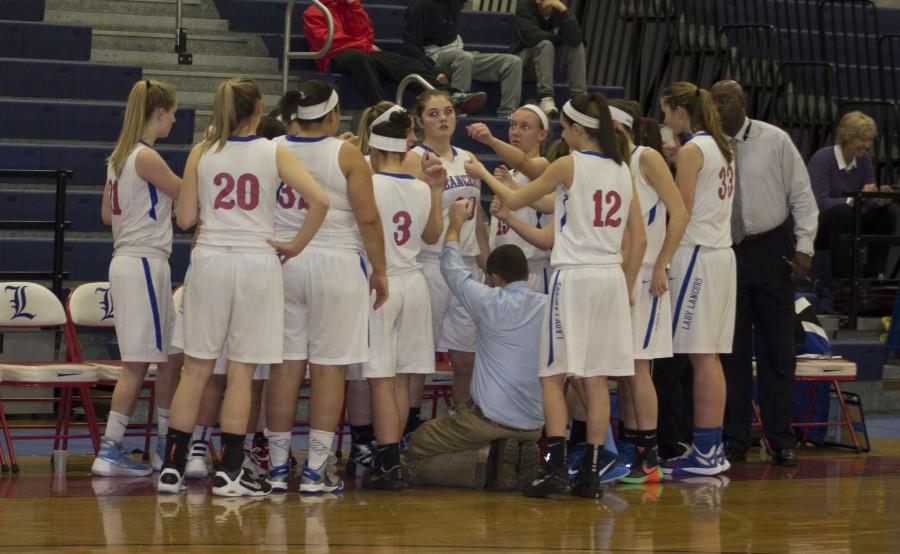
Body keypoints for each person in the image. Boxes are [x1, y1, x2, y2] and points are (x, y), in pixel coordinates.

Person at [467, 93, 646, 499]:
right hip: (611, 281)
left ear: (579, 129)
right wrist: (629, 285)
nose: (563, 136)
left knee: (552, 375)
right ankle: (593, 474)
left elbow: (513, 200)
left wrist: (484, 175)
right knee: (596, 379)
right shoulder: (622, 169)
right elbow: (640, 240)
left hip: (576, 277)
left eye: (565, 128)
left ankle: (558, 469)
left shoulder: (569, 163)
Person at [157, 77, 329, 497]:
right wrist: (294, 245)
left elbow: (184, 220)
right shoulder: (275, 150)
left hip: (211, 258)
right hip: (256, 261)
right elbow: (320, 200)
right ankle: (230, 472)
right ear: (258, 109)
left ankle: (171, 469)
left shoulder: (202, 151)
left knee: (196, 369)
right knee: (242, 372)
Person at [265, 81, 388, 495]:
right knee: (330, 367)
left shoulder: (273, 148)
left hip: (284, 261)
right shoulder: (347, 153)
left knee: (284, 366)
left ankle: (278, 466)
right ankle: (317, 469)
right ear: (334, 115)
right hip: (336, 263)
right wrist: (381, 270)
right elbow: (368, 220)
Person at [401, 201, 546, 490]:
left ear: (494, 279)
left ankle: (487, 457)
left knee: (411, 454)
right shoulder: (547, 305)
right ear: (527, 271)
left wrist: (455, 224)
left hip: (487, 421)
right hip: (534, 425)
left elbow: (451, 267)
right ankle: (506, 462)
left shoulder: (488, 300)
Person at [711, 80, 819, 466]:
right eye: (714, 101)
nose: (719, 107)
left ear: (743, 102)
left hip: (773, 248)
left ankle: (780, 438)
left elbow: (803, 197)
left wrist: (804, 247)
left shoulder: (775, 140)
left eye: (725, 100)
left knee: (778, 350)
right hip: (725, 252)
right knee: (731, 351)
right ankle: (735, 438)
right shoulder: (707, 146)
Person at [93, 79, 183, 478]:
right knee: (138, 364)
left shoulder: (118, 156)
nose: (176, 119)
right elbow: (187, 195)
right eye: (173, 112)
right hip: (145, 261)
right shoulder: (147, 157)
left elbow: (106, 217)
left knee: (162, 360)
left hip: (128, 259)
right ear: (159, 113)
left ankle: (159, 445)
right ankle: (115, 448)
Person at [353, 105, 446, 489]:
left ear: (373, 149)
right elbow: (431, 235)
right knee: (402, 379)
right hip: (415, 282)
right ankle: (396, 457)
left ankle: (388, 463)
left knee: (381, 379)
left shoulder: (368, 185)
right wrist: (437, 191)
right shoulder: (422, 187)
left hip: (382, 283)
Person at [608, 98, 689, 483]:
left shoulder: (646, 158)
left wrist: (662, 263)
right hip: (619, 274)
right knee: (624, 370)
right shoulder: (611, 164)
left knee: (640, 367)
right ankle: (632, 447)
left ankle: (650, 456)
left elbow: (680, 211)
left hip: (645, 275)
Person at [658, 81, 735, 477]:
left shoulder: (693, 149)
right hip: (722, 255)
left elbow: (681, 210)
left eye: (666, 112)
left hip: (697, 256)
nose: (664, 119)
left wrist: (662, 260)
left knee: (701, 356)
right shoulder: (721, 146)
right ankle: (711, 447)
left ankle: (705, 452)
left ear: (679, 112)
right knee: (710, 356)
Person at [405, 89, 491, 407]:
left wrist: (487, 263)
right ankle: (409, 430)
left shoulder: (469, 159)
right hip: (431, 262)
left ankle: (462, 427)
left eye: (448, 111)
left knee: (466, 360)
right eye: (434, 113)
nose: (443, 118)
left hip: (467, 267)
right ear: (419, 121)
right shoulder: (414, 160)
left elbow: (479, 219)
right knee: (418, 359)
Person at [303, 0, 486, 114]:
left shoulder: (350, 6)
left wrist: (354, 7)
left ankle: (449, 95)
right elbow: (330, 42)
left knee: (405, 63)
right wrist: (365, 46)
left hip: (364, 52)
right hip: (335, 57)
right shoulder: (314, 11)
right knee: (360, 59)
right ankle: (383, 109)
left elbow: (366, 33)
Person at [465, 105, 552, 293]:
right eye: (513, 126)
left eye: (525, 127)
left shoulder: (543, 167)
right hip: (502, 274)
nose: (516, 132)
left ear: (542, 135)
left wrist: (490, 142)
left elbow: (524, 162)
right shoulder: (507, 175)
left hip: (531, 272)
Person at [808, 110, 895, 280]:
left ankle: (874, 274)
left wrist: (880, 200)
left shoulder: (863, 161)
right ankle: (843, 278)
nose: (867, 145)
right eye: (862, 140)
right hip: (821, 225)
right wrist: (853, 199)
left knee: (887, 215)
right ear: (847, 137)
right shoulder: (822, 159)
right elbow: (819, 202)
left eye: (869, 139)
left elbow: (869, 202)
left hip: (849, 220)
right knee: (843, 212)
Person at [402, 0, 523, 118]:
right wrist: (433, 71)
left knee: (512, 62)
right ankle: (457, 111)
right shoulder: (419, 4)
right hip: (435, 57)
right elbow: (410, 44)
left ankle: (507, 114)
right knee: (464, 58)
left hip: (460, 53)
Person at [510, 0, 586, 117]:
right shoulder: (524, 5)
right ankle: (546, 99)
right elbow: (533, 36)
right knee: (545, 44)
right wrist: (561, 38)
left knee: (576, 47)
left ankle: (579, 99)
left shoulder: (559, 10)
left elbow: (576, 38)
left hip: (549, 66)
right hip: (525, 65)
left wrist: (563, 10)